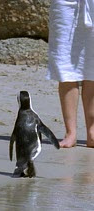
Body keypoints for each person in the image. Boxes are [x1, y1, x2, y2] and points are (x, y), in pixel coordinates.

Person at [47, 0, 94, 148]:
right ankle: (70, 133)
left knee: (92, 66)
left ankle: (92, 131)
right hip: (64, 4)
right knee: (65, 64)